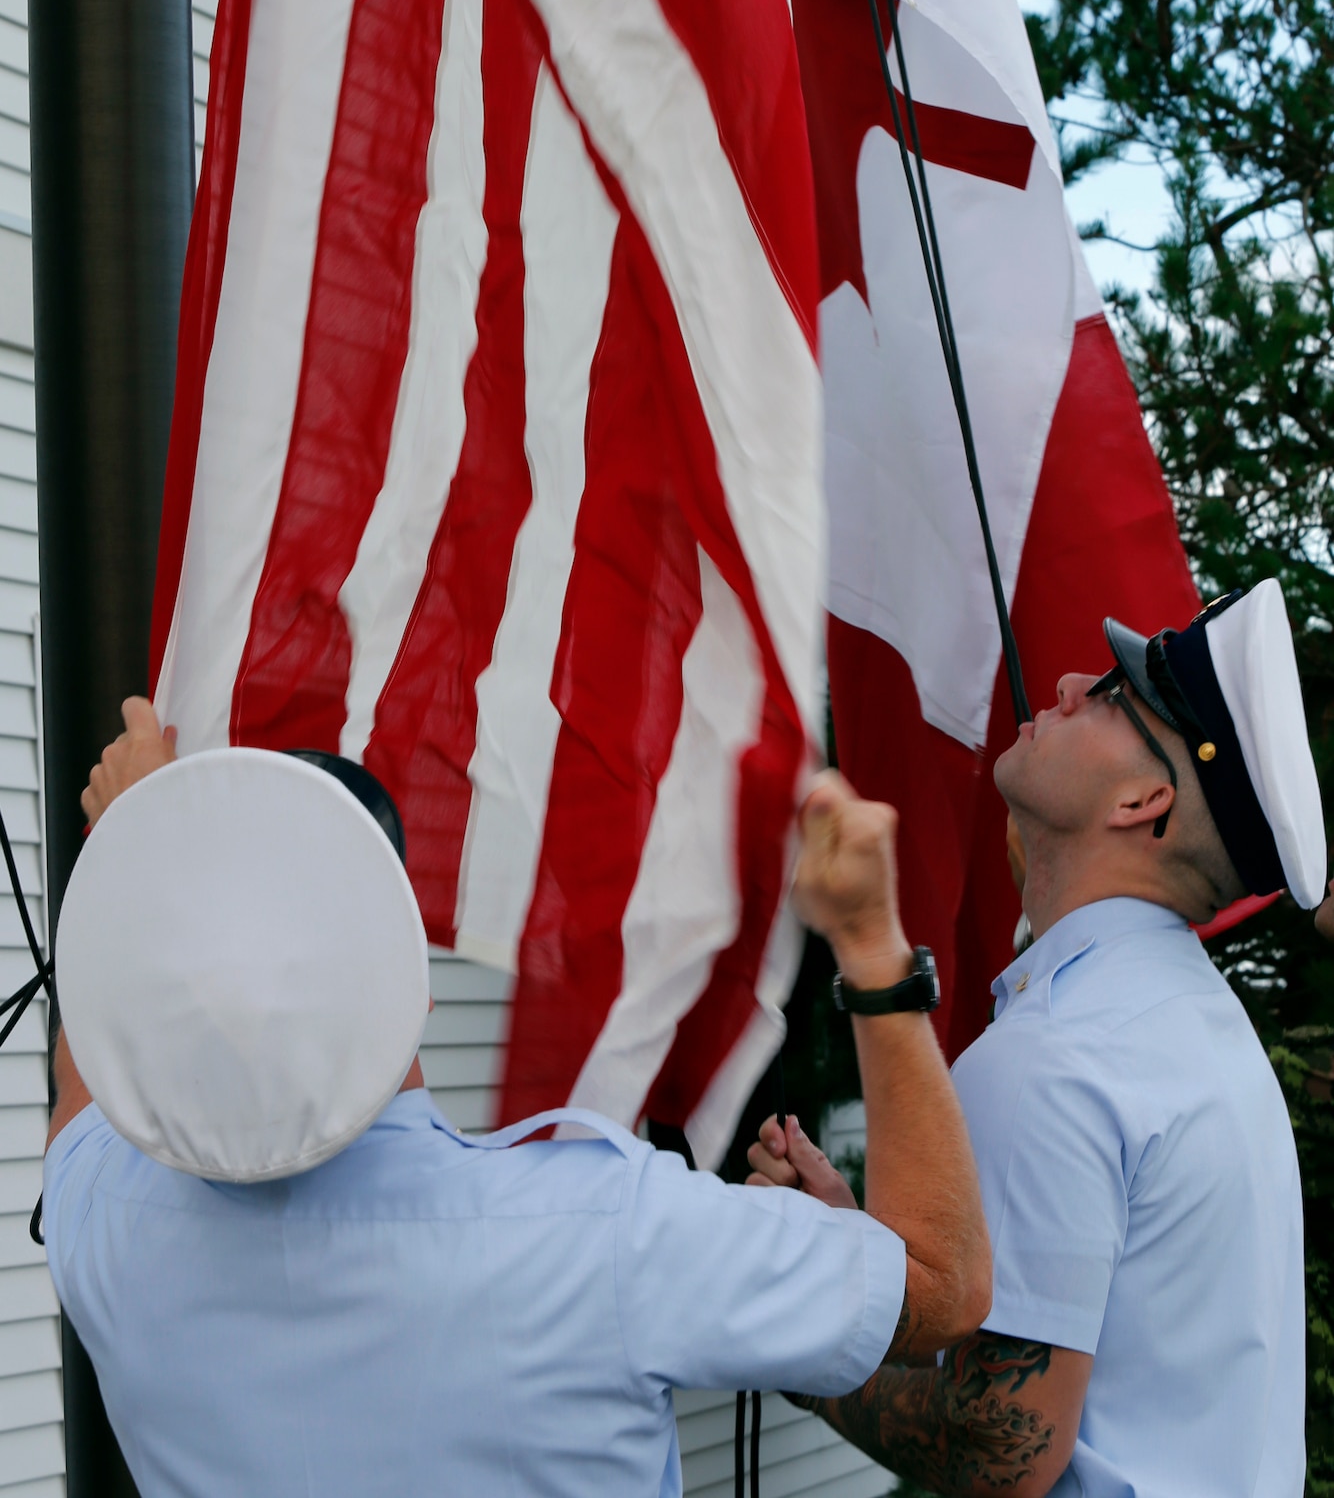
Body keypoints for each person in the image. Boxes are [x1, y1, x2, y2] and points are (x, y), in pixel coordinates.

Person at [43, 698, 990, 1498]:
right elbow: (942, 1291)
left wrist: (141, 844)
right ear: (410, 978)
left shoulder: (107, 1223)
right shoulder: (606, 1233)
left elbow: (93, 1058)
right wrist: (870, 943)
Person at [749, 578, 1324, 1497]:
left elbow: (1000, 1444)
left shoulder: (1058, 1054)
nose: (1061, 683)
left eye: (1108, 696)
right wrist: (859, 1250)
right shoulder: (1191, 1021)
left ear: (1142, 800)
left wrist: (807, 1337)